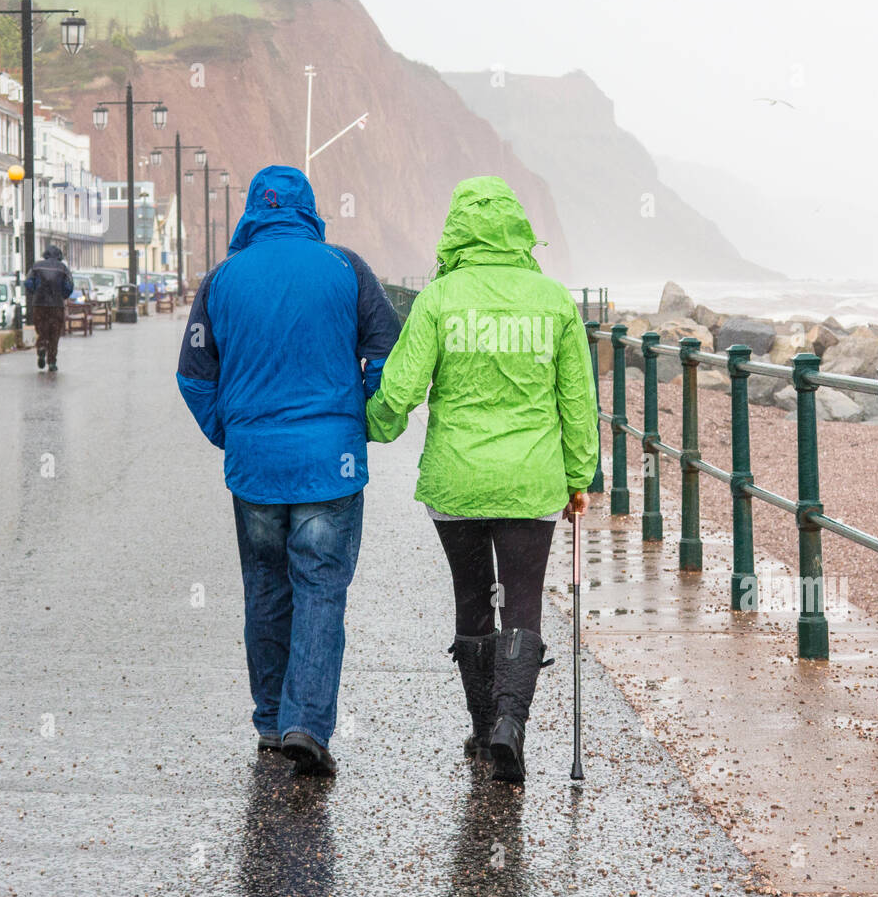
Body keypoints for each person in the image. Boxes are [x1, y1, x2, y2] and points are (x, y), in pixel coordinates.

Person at [366, 176, 598, 783]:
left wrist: (371, 426)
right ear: (519, 230)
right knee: (523, 601)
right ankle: (509, 727)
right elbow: (577, 402)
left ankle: (479, 727)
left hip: (457, 479)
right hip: (531, 480)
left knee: (473, 600)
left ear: (457, 231)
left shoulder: (439, 300)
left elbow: (401, 388)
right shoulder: (553, 302)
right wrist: (580, 478)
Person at [177, 165, 400, 777]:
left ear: (253, 209)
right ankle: (308, 723)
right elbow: (387, 348)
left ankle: (271, 722)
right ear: (309, 209)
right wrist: (365, 417)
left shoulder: (221, 280)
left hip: (254, 466)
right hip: (332, 462)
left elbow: (194, 375)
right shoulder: (345, 269)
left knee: (267, 591)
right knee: (321, 591)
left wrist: (231, 432)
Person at [24, 244, 73, 372]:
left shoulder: (36, 266)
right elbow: (69, 286)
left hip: (39, 305)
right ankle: (51, 361)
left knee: (42, 330)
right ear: (59, 256)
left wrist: (36, 292)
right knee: (54, 333)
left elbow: (28, 283)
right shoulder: (63, 268)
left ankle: (41, 347)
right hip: (56, 305)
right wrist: (61, 295)